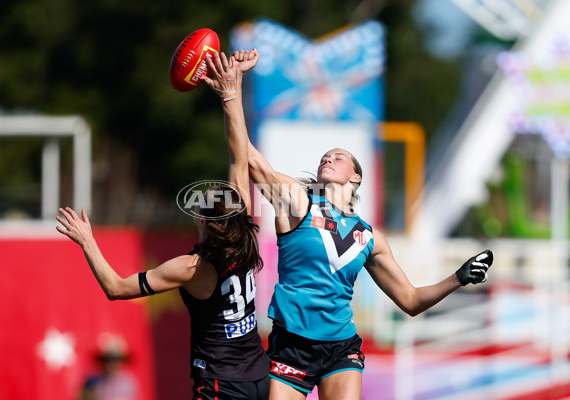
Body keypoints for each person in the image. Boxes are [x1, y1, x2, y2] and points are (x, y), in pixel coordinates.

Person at [203, 49, 494, 400]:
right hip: (291, 344)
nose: (328, 157)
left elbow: (411, 300)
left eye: (338, 156)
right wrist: (231, 91)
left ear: (355, 176)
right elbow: (247, 156)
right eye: (325, 155)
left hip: (341, 347)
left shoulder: (371, 237)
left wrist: (458, 278)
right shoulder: (298, 201)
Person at [57, 51, 270, 400]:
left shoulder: (191, 268)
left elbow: (116, 288)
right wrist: (232, 88)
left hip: (222, 382)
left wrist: (86, 240)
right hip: (260, 378)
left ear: (202, 219)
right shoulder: (245, 236)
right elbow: (239, 155)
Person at [79, 334, 138, 400]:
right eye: (108, 359)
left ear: (121, 361)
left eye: (115, 359)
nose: (111, 363)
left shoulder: (128, 382)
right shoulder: (92, 381)